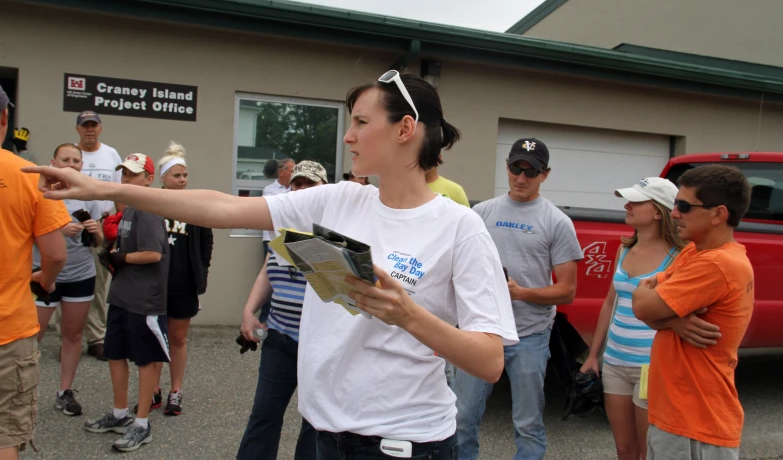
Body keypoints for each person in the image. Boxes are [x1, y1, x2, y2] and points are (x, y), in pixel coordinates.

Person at [27, 70, 518, 460]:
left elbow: (489, 361)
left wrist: (408, 315)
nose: (348, 137)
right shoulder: (339, 199)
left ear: (405, 129)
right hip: (324, 433)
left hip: (405, 444)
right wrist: (105, 189)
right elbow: (220, 208)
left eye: (362, 123)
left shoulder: (460, 227)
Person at [454, 137, 584, 460]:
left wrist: (520, 293)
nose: (521, 177)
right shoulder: (480, 213)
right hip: (481, 331)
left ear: (545, 174)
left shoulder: (557, 222)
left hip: (529, 335)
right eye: (516, 168)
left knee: (527, 424)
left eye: (531, 171)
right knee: (460, 419)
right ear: (507, 167)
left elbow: (567, 290)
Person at [633, 166, 754, 460]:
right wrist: (675, 320)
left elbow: (643, 305)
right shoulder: (694, 251)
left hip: (693, 424)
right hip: (679, 419)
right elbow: (641, 295)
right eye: (675, 204)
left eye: (684, 206)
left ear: (718, 214)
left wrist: (660, 308)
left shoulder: (715, 264)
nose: (674, 214)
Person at [579, 177, 685, 460]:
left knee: (647, 449)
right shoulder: (624, 248)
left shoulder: (679, 257)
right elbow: (609, 303)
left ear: (658, 212)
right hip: (615, 362)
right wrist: (593, 355)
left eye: (636, 202)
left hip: (651, 365)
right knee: (624, 449)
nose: (626, 205)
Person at [237, 161, 328, 460]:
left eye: (309, 185)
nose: (301, 190)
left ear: (323, 190)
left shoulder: (332, 234)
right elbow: (267, 271)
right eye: (297, 184)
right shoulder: (284, 230)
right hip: (279, 336)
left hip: (318, 344)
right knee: (263, 415)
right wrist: (250, 310)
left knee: (314, 425)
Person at [82, 153, 170, 453]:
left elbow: (154, 254)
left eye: (134, 174)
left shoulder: (148, 209)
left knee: (145, 360)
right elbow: (128, 250)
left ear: (148, 178)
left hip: (144, 300)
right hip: (121, 295)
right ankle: (120, 414)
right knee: (115, 353)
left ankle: (142, 423)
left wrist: (122, 258)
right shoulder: (129, 209)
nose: (127, 179)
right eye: (124, 174)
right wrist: (112, 256)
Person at [0, 85, 70, 459]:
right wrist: (45, 279)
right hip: (9, 327)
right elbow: (56, 254)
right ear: (5, 119)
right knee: (6, 436)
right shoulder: (26, 173)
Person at [33, 143, 105, 417]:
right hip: (44, 273)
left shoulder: (89, 193)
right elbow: (26, 232)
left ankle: (65, 391)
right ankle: (17, 390)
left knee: (73, 335)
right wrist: (58, 229)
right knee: (31, 338)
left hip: (80, 274)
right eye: (66, 159)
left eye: (76, 160)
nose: (72, 164)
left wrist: (94, 230)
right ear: (53, 162)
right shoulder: (41, 191)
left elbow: (98, 243)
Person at [143, 143, 213, 417]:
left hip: (183, 285)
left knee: (178, 338)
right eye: (176, 176)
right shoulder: (150, 204)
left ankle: (175, 391)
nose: (182, 180)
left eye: (185, 175)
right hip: (154, 285)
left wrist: (201, 272)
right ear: (163, 178)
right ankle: (152, 390)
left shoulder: (195, 205)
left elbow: (206, 240)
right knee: (154, 339)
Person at [75, 111, 123, 361]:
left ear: (100, 129)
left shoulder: (111, 154)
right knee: (67, 281)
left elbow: (118, 192)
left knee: (98, 284)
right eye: (85, 126)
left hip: (100, 228)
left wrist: (120, 226)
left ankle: (96, 339)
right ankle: (69, 338)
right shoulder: (70, 154)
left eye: (94, 125)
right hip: (71, 227)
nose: (90, 130)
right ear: (78, 130)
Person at [259, 158, 296, 323]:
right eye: (291, 170)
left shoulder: (296, 189)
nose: (294, 174)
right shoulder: (270, 190)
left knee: (288, 282)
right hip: (272, 240)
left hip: (293, 239)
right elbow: (272, 215)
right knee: (271, 279)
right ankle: (265, 318)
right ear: (281, 172)